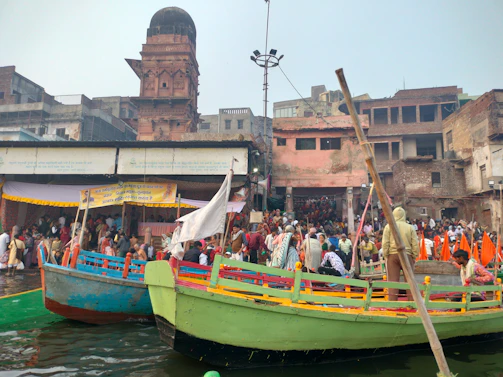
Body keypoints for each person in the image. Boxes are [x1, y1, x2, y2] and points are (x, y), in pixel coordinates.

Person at [382, 207, 419, 301]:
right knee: (410, 281)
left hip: (392, 255)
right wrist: (414, 255)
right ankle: (412, 303)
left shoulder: (388, 226)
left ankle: (393, 304)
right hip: (407, 254)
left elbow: (385, 243)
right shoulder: (410, 227)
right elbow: (415, 243)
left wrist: (386, 255)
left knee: (393, 281)